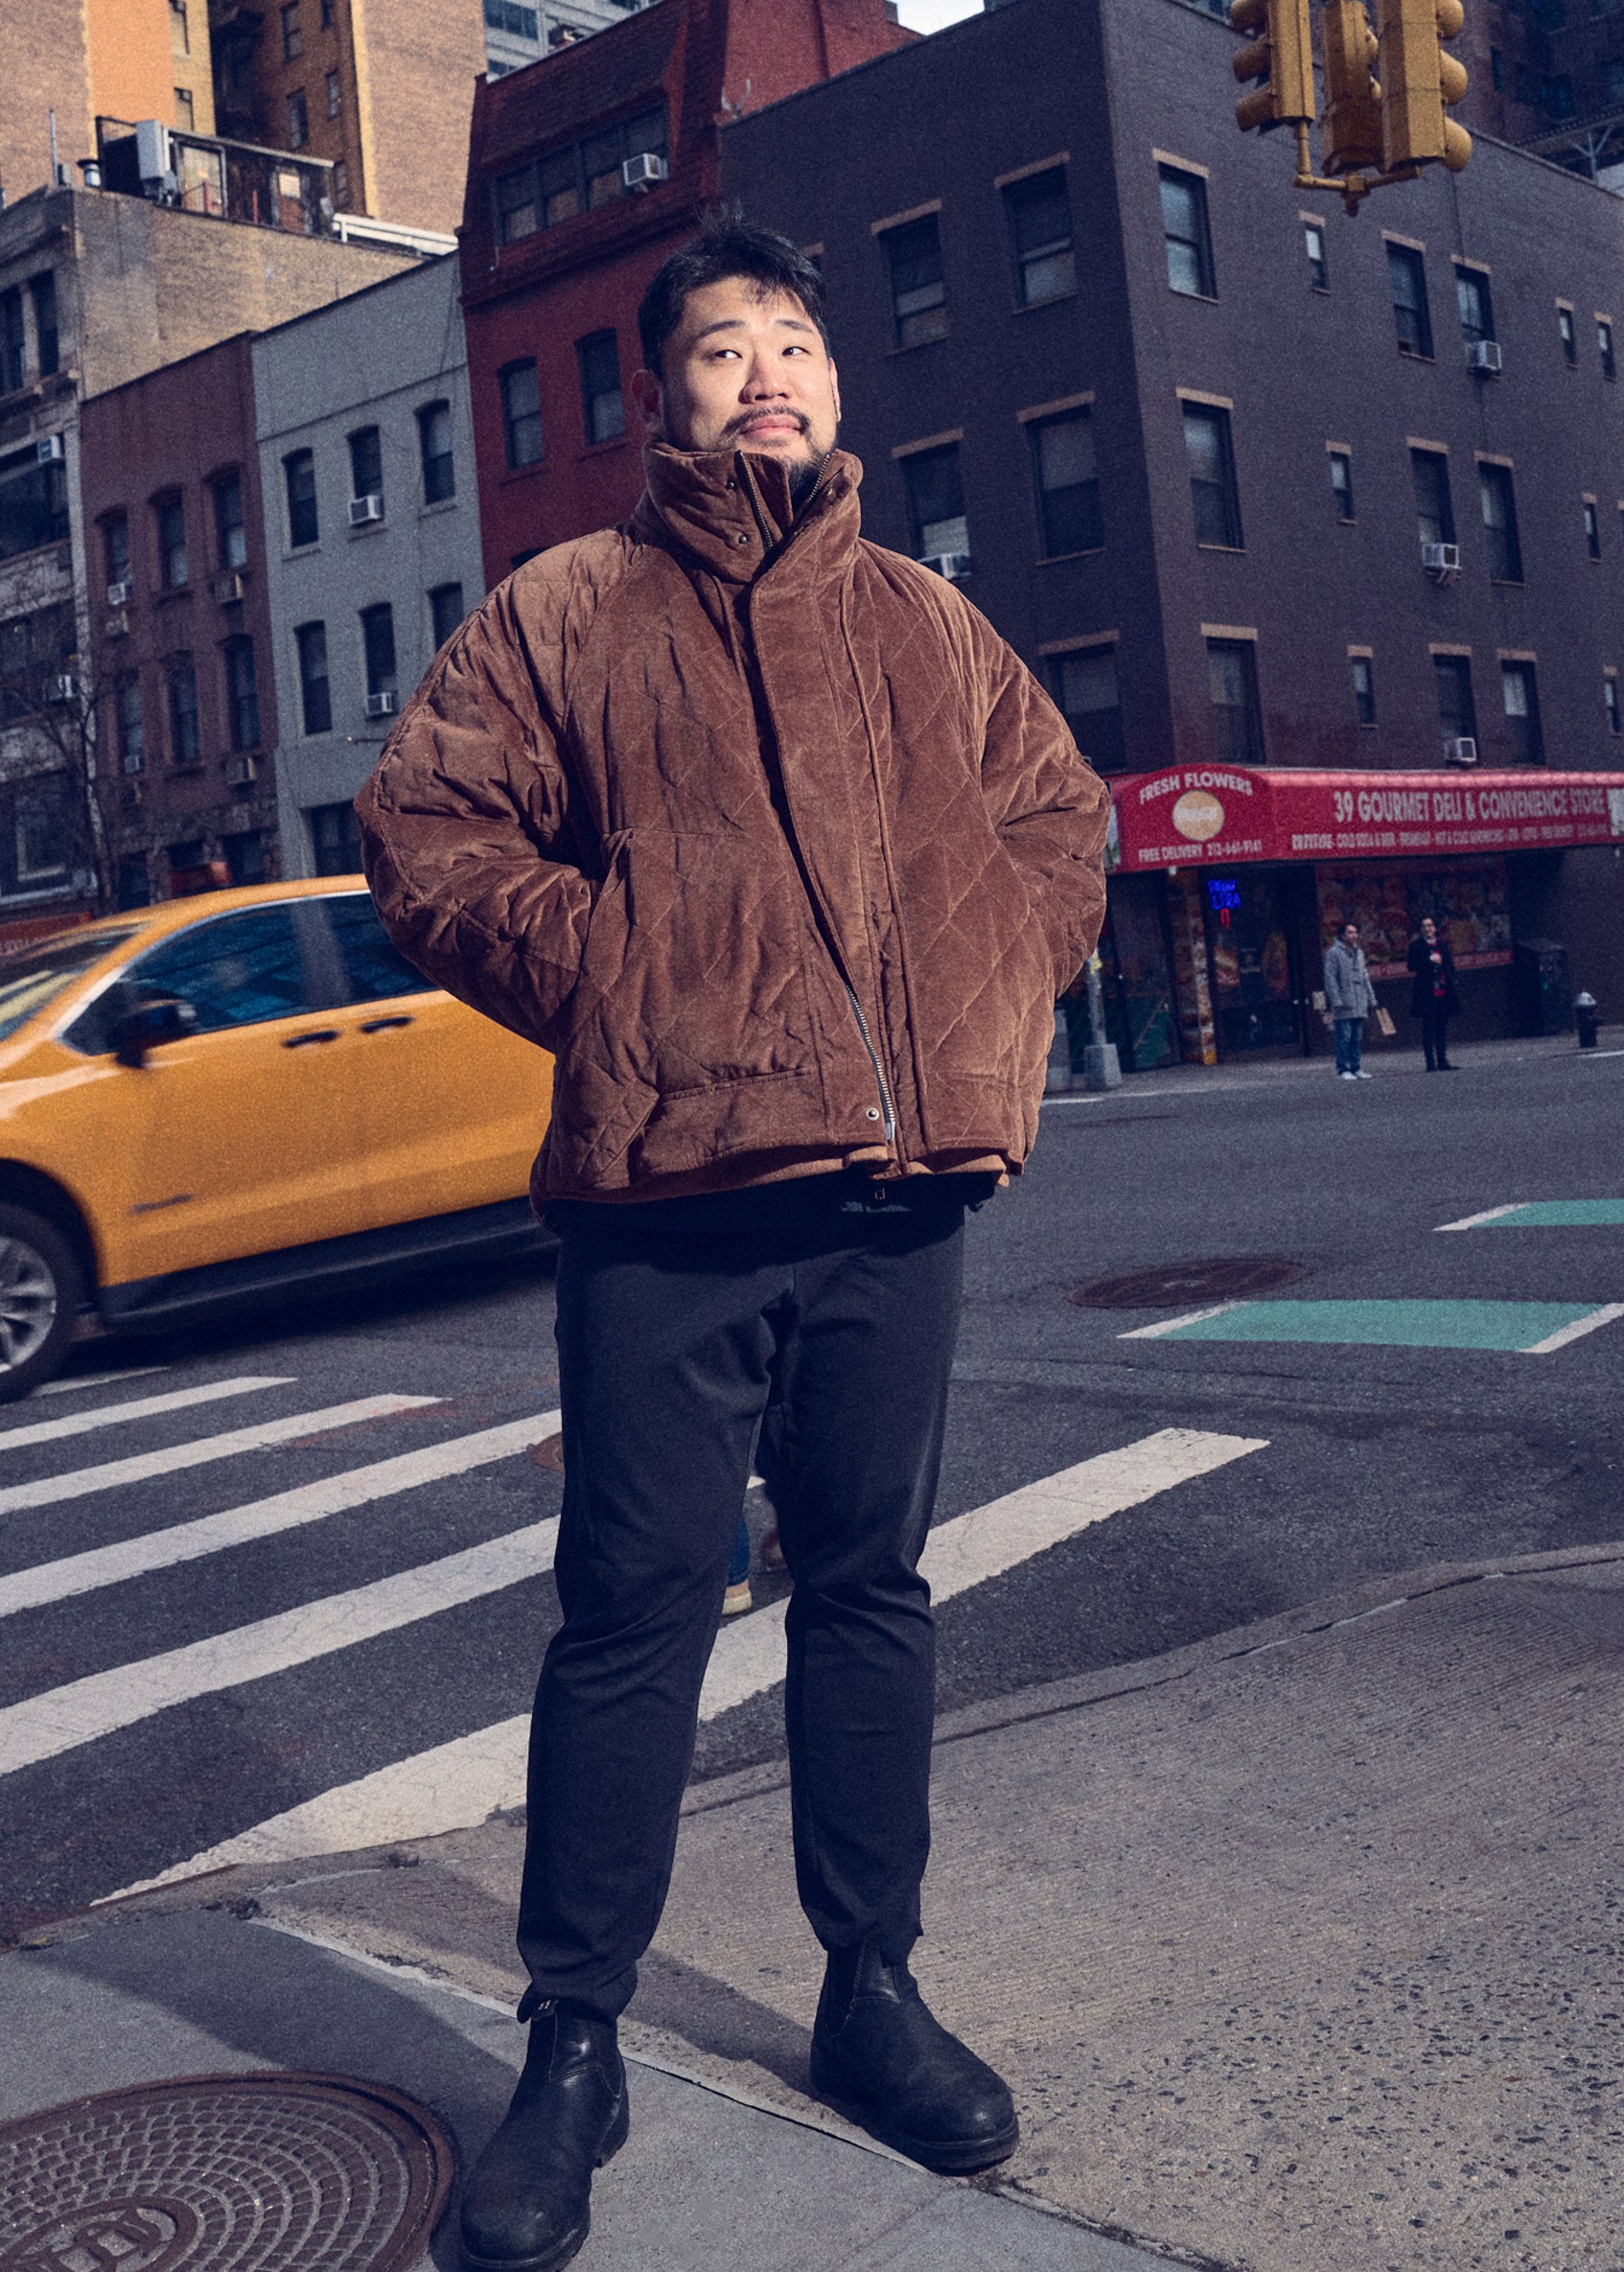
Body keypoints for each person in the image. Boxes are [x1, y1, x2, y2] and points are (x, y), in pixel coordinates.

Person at [357, 217, 1109, 2272]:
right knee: (629, 1616)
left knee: (868, 1588)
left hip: (897, 1198)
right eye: (715, 349)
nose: (761, 371)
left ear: (835, 387)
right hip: (668, 1207)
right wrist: (620, 975)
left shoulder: (924, 623)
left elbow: (1059, 825)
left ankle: (869, 1989)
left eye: (790, 341)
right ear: (660, 398)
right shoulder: (565, 612)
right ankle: (569, 2047)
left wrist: (986, 987)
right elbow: (424, 832)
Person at [1321, 918, 1376, 1080]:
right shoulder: (1334, 953)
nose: (1354, 936)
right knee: (1344, 1037)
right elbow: (1330, 978)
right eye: (1350, 933)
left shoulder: (1359, 952)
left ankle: (1356, 1067)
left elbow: (1365, 976)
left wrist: (1371, 998)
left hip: (1359, 1000)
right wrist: (1336, 1000)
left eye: (1355, 932)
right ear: (1342, 935)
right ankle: (1343, 1069)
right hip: (1344, 1002)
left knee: (1357, 1037)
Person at [1406, 915, 1460, 1071]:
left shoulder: (1442, 945)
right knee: (1428, 1028)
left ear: (1435, 928)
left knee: (1442, 1028)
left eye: (1430, 926)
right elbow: (1411, 966)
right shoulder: (1416, 946)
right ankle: (1430, 1063)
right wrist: (1429, 961)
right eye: (1424, 926)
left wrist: (1453, 979)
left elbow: (1450, 965)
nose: (1427, 929)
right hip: (1427, 993)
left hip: (1443, 991)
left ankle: (1443, 1060)